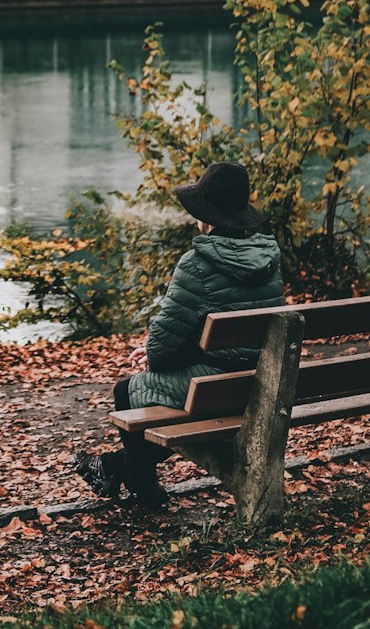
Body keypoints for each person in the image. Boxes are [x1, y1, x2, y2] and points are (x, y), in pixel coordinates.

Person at [73, 161, 284, 509]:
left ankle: (141, 485)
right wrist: (165, 351)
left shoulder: (197, 263)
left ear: (208, 216)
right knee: (154, 385)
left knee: (127, 389)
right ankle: (117, 469)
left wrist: (152, 354)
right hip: (262, 379)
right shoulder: (270, 255)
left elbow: (163, 346)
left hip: (214, 387)